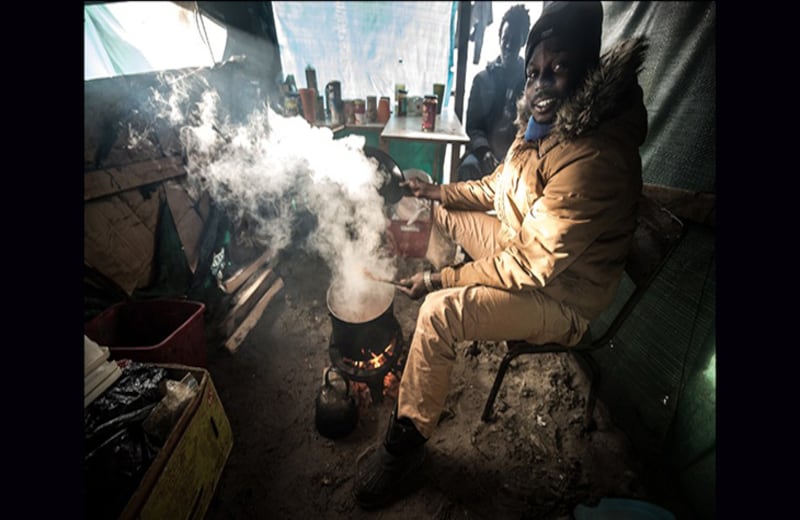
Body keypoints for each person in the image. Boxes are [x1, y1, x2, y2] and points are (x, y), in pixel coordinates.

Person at [353, 0, 649, 510]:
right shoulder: (542, 131)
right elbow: (494, 188)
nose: (542, 82)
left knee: (440, 311)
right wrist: (437, 194)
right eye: (534, 70)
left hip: (562, 296)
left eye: (560, 67)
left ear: (588, 72)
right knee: (442, 217)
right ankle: (451, 306)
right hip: (524, 250)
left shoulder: (594, 156)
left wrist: (446, 279)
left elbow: (531, 266)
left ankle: (407, 449)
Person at [457, 4, 530, 182]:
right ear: (499, 38)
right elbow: (473, 127)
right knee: (467, 168)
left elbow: (532, 129)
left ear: (523, 41)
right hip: (484, 155)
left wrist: (514, 157)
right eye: (505, 38)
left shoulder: (530, 82)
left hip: (517, 158)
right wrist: (484, 151)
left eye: (515, 40)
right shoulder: (482, 80)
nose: (508, 45)